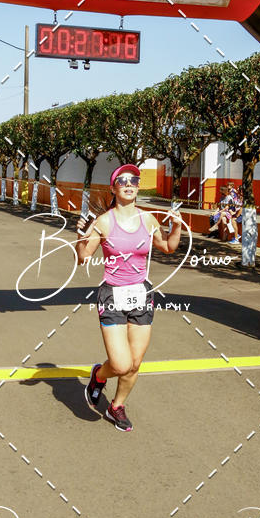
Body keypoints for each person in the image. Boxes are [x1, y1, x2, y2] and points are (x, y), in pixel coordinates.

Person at [76, 164, 183, 432]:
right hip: (112, 294)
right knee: (121, 364)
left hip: (141, 293)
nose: (129, 183)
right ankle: (98, 376)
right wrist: (81, 235)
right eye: (122, 180)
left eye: (134, 179)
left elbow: (168, 247)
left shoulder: (148, 220)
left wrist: (177, 227)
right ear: (113, 188)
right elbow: (83, 258)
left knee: (134, 364)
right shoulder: (104, 221)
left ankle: (116, 406)